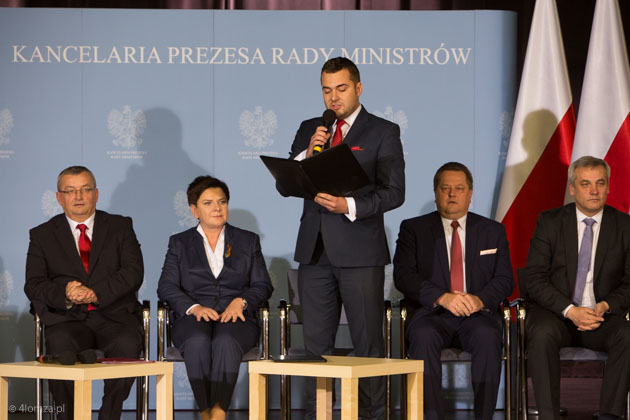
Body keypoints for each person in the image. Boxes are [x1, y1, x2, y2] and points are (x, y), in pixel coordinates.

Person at [275, 56, 405, 419]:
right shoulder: (310, 127)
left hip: (361, 252)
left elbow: (394, 193)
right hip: (314, 253)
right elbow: (285, 185)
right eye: (327, 90)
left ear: (359, 88)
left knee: (367, 345)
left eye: (342, 89)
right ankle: (320, 414)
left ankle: (371, 415)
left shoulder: (382, 131)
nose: (333, 98)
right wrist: (307, 151)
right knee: (316, 348)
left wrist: (348, 203)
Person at [393, 162, 514, 420]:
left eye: (459, 188)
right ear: (436, 193)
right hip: (431, 314)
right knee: (423, 337)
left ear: (470, 194)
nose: (452, 194)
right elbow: (403, 276)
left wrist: (480, 299)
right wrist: (442, 297)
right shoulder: (413, 229)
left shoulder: (493, 231)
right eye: (445, 188)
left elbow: (505, 279)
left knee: (489, 337)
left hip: (477, 315)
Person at [24, 165, 144, 420]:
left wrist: (95, 293)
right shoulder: (42, 235)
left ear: (96, 194)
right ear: (59, 197)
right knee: (59, 346)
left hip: (115, 317)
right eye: (70, 191)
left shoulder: (120, 226)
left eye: (85, 189)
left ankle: (109, 416)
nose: (78, 196)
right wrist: (65, 292)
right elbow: (33, 283)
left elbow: (133, 272)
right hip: (67, 320)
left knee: (128, 345)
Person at [158, 175, 273, 420]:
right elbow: (166, 286)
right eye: (208, 203)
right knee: (198, 340)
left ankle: (219, 411)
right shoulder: (179, 243)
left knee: (226, 340)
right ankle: (205, 410)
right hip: (193, 318)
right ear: (194, 210)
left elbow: (262, 285)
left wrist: (240, 301)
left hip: (238, 317)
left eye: (222, 202)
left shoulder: (247, 240)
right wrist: (194, 307)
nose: (217, 208)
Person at [524, 156, 630, 420]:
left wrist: (605, 306)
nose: (594, 190)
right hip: (557, 314)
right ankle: (549, 415)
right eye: (585, 184)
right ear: (572, 188)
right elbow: (534, 278)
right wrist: (570, 310)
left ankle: (610, 415)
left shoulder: (625, 226)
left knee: (628, 335)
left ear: (608, 187)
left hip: (600, 316)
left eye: (600, 183)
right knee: (541, 334)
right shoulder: (549, 222)